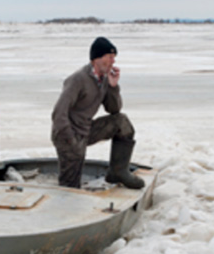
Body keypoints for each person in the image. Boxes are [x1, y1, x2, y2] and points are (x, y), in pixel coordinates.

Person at [50, 37, 144, 190]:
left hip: (86, 130)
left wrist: (113, 86)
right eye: (110, 57)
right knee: (70, 188)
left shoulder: (104, 79)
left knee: (121, 122)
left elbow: (114, 109)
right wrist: (70, 139)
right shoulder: (77, 79)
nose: (113, 61)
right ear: (97, 59)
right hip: (67, 136)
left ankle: (118, 171)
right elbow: (58, 113)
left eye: (114, 58)